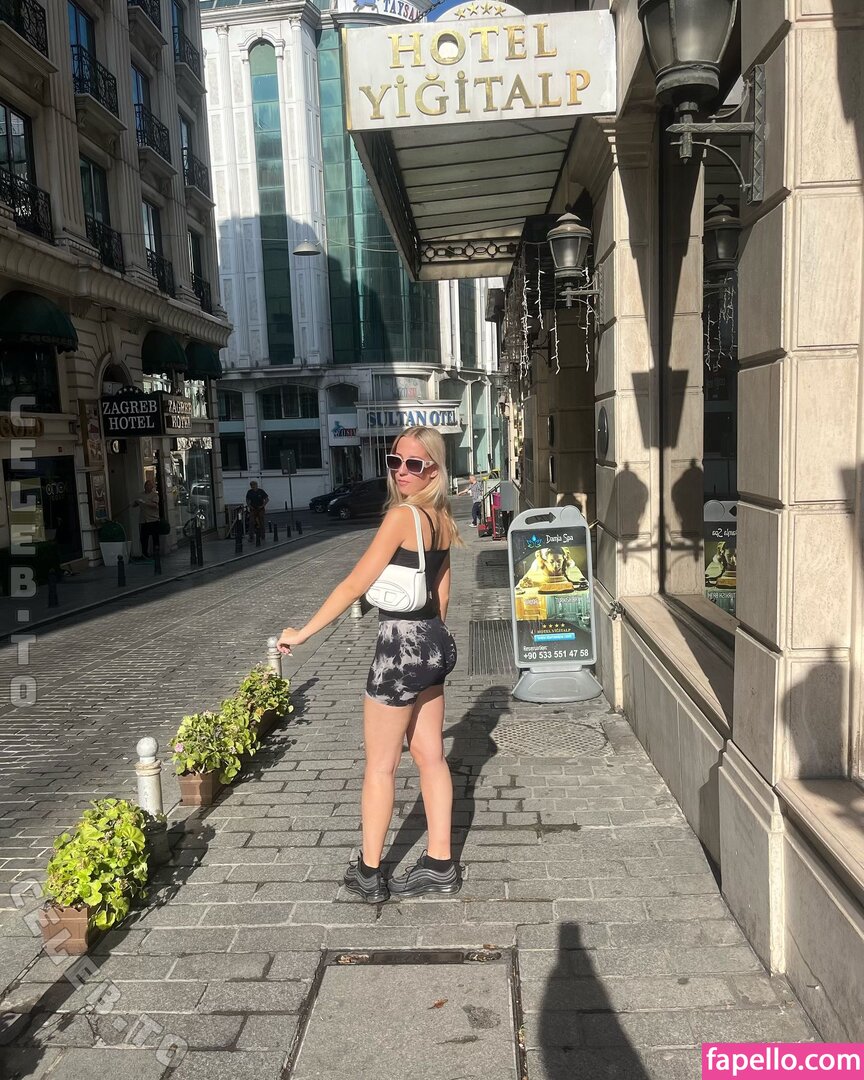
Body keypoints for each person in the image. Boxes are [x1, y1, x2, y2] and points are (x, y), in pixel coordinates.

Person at [277, 426, 463, 903]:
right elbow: (441, 590)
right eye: (395, 461)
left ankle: (369, 872)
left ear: (434, 470)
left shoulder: (402, 517)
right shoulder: (441, 516)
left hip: (399, 649)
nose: (401, 471)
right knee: (431, 756)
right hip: (432, 641)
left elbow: (353, 585)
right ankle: (440, 864)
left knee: (380, 766)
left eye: (414, 464)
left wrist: (302, 633)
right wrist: (432, 641)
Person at [134, 479, 161, 559]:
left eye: (149, 485)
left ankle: (156, 553)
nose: (147, 487)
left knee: (155, 537)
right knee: (143, 538)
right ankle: (144, 554)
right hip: (144, 520)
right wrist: (136, 502)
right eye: (146, 485)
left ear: (152, 487)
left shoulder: (154, 495)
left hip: (153, 519)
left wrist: (144, 502)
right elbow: (134, 505)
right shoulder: (140, 495)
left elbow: (155, 505)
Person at [245, 480, 269, 546]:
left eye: (254, 485)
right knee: (251, 522)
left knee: (261, 521)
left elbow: (267, 499)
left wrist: (263, 505)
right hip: (253, 509)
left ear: (256, 485)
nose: (253, 487)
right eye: (252, 486)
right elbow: (247, 500)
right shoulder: (249, 492)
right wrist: (249, 506)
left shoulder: (261, 491)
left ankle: (262, 535)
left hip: (260, 509)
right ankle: (251, 536)